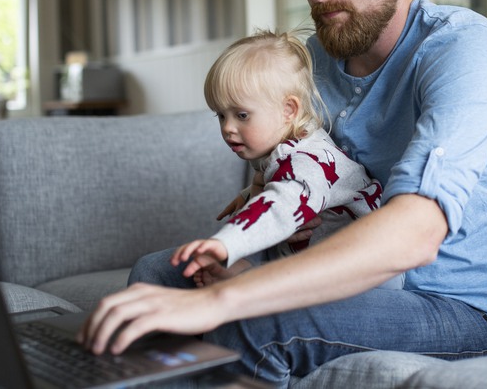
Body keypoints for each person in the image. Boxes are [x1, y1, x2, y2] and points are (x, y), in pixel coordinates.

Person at [79, 0, 487, 386]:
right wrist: (244, 255)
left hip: (467, 312)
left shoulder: (464, 50)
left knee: (251, 325)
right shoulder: (312, 60)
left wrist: (226, 299)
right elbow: (294, 184)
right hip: (357, 287)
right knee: (157, 276)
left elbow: (414, 234)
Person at [170, 30, 398, 290]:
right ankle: (245, 273)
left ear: (289, 110)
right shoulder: (286, 149)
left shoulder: (308, 160)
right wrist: (249, 194)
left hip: (369, 275)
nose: (227, 128)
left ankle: (246, 277)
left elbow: (281, 204)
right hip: (319, 262)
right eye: (221, 116)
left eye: (241, 115)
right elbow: (279, 183)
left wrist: (226, 243)